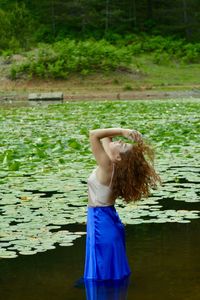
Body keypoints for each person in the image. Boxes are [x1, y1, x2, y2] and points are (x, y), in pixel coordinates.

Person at [83, 128, 160, 281]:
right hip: (108, 221)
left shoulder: (108, 167)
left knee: (103, 278)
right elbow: (105, 137)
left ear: (118, 158)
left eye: (123, 145)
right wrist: (122, 134)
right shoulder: (114, 164)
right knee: (109, 275)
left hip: (101, 223)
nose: (120, 142)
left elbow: (94, 134)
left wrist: (123, 130)